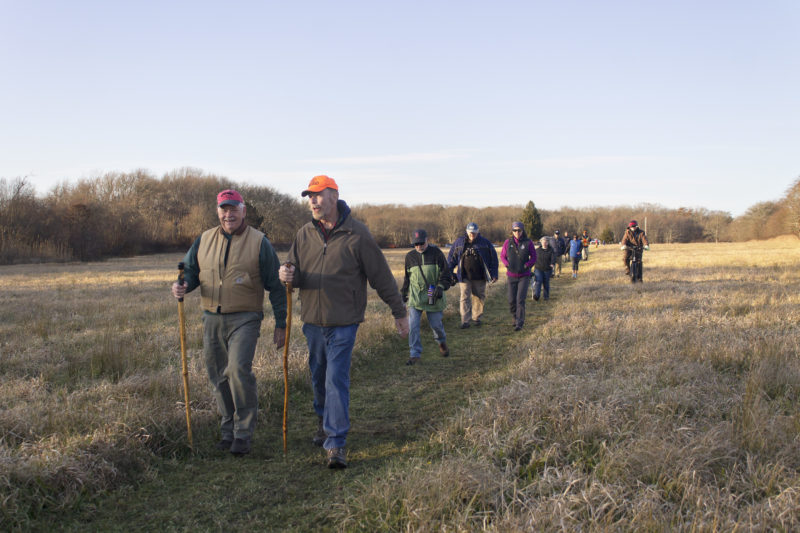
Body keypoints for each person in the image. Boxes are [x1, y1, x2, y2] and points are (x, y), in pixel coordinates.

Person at [278, 175, 408, 469]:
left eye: (318, 195)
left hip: (344, 322)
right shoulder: (303, 234)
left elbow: (381, 276)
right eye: (309, 196)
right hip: (312, 321)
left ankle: (335, 443)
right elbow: (294, 270)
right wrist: (287, 275)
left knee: (336, 378)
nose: (312, 201)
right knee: (318, 376)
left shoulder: (357, 234)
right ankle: (324, 423)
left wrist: (399, 313)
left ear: (334, 197)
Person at [170, 189, 287, 457]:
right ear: (218, 211)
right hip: (211, 317)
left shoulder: (259, 242)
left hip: (245, 317)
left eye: (233, 209)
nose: (228, 214)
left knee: (237, 370)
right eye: (224, 209)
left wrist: (282, 323)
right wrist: (183, 285)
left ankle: (243, 433)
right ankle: (227, 430)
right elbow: (190, 271)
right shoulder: (204, 240)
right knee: (217, 375)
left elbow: (277, 287)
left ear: (243, 211)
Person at [401, 229, 453, 365]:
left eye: (421, 243)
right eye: (416, 244)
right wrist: (403, 294)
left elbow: (446, 274)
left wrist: (441, 287)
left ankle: (441, 342)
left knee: (436, 324)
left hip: (432, 292)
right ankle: (415, 354)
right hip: (416, 296)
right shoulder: (410, 257)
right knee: (413, 326)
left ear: (427, 240)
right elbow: (407, 278)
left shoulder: (437, 254)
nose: (418, 246)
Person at [447, 222, 499, 329]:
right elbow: (451, 258)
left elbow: (494, 259)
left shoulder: (485, 243)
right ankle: (465, 320)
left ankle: (476, 318)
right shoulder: (459, 242)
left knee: (479, 297)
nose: (472, 235)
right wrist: (449, 271)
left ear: (478, 232)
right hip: (464, 276)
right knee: (464, 297)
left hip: (480, 276)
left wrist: (494, 274)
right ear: (466, 232)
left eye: (474, 233)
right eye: (470, 233)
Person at [500, 222, 536, 331]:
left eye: (519, 230)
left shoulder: (528, 242)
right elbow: (502, 256)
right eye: (515, 230)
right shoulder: (508, 242)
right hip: (511, 275)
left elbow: (534, 257)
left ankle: (519, 322)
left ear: (522, 231)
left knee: (520, 299)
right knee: (511, 300)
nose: (517, 232)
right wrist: (507, 264)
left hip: (524, 276)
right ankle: (514, 317)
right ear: (512, 231)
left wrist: (527, 265)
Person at [532, 236, 555, 301]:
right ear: (541, 242)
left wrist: (552, 263)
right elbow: (533, 258)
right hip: (538, 268)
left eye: (546, 242)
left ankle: (546, 296)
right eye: (543, 242)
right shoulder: (537, 250)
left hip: (547, 269)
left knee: (546, 283)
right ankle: (537, 295)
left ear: (548, 243)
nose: (544, 243)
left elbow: (553, 258)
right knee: (538, 282)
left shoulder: (551, 250)